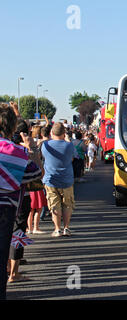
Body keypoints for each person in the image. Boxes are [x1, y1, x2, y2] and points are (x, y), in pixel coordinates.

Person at [0, 103, 41, 296]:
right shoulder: (15, 152)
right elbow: (36, 173)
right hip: (5, 213)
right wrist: (32, 148)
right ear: (11, 126)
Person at [41, 122, 77, 237]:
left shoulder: (45, 145)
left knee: (54, 205)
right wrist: (67, 140)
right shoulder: (69, 145)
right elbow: (72, 158)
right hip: (66, 179)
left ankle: (57, 229)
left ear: (52, 132)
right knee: (67, 204)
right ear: (64, 133)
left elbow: (44, 157)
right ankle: (66, 228)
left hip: (50, 179)